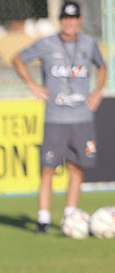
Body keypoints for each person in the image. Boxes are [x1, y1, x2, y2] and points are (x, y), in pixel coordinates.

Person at [12, 0, 106, 233]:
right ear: (61, 20)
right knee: (48, 168)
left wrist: (98, 91)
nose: (69, 22)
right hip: (55, 118)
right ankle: (43, 219)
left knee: (77, 167)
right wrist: (32, 85)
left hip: (81, 117)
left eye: (73, 19)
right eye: (65, 18)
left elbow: (101, 66)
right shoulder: (47, 43)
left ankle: (70, 216)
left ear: (79, 21)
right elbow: (18, 59)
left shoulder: (88, 43)